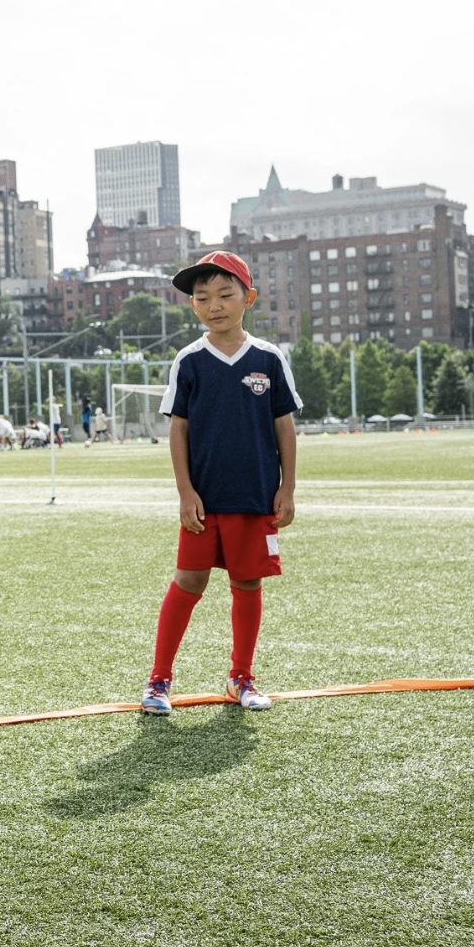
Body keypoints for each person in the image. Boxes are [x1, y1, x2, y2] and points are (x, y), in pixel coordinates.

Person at [141, 251, 299, 718]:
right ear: (193, 305)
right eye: (202, 296)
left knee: (247, 582)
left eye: (225, 294)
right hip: (204, 500)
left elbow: (284, 426)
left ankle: (241, 677)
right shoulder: (189, 360)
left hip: (254, 497)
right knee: (188, 581)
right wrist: (185, 492)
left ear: (248, 298)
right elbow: (179, 430)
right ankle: (158, 680)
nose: (215, 305)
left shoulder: (269, 358)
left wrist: (287, 488)